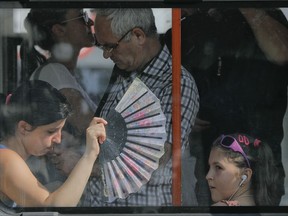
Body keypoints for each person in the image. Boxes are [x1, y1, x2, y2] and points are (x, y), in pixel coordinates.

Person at [164, 8, 288, 206]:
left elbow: (282, 52)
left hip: (257, 158)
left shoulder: (266, 15)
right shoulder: (190, 27)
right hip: (203, 157)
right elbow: (158, 81)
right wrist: (181, 111)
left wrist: (249, 10)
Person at [82, 8, 199, 206]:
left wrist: (85, 167)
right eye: (102, 47)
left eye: (111, 47)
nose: (106, 55)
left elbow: (155, 158)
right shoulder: (124, 72)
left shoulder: (175, 83)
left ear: (138, 35)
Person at [21, 8, 98, 190]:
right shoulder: (55, 73)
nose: (91, 23)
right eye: (82, 18)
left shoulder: (62, 73)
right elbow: (94, 129)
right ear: (59, 30)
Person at [0, 80, 107, 209]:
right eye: (51, 131)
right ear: (23, 127)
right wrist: (90, 155)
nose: (58, 139)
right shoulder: (7, 160)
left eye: (61, 130)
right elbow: (52, 209)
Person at [206, 133, 279, 206]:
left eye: (218, 167)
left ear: (245, 175)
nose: (208, 176)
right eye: (209, 167)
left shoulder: (219, 209)